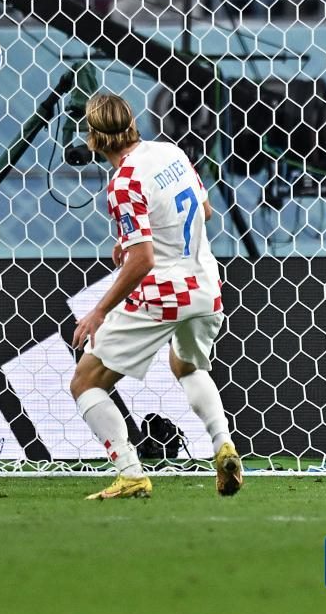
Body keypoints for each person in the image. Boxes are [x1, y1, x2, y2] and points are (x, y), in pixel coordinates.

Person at [69, 93, 242, 500]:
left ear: (92, 139)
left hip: (164, 294)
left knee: (86, 381)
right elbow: (205, 212)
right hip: (205, 287)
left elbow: (144, 260)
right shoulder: (170, 152)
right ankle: (223, 445)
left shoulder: (123, 182)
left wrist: (99, 311)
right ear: (133, 124)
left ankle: (130, 473)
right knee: (186, 364)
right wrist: (133, 240)